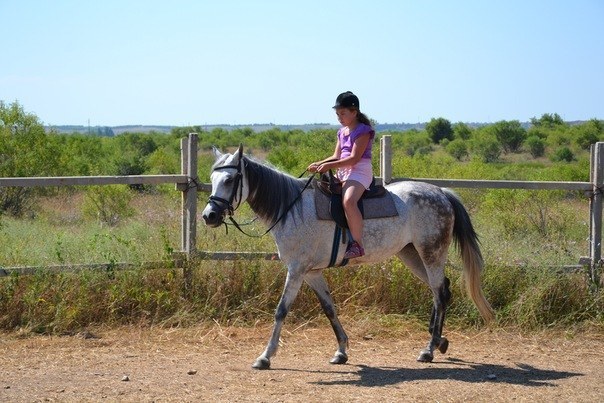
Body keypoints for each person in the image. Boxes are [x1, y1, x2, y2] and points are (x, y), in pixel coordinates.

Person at [308, 91, 375, 259]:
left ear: (354, 112)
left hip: (360, 171)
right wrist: (320, 163)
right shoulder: (341, 132)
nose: (339, 117)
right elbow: (336, 156)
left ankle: (357, 244)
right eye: (337, 114)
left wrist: (328, 166)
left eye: (343, 113)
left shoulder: (363, 131)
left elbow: (353, 159)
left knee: (349, 201)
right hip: (343, 171)